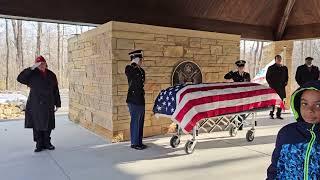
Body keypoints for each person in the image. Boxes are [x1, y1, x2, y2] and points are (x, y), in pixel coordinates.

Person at [266, 80, 320, 179]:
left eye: (318, 105)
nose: (310, 110)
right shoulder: (286, 133)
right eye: (304, 104)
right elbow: (275, 167)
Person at [17, 56, 61, 152]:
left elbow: (55, 90)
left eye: (43, 63)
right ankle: (39, 144)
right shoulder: (31, 74)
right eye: (38, 64)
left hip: (49, 103)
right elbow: (20, 78)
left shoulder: (51, 75)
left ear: (46, 64)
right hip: (35, 103)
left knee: (48, 124)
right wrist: (31, 68)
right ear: (36, 65)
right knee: (37, 124)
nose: (41, 65)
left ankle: (47, 142)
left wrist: (57, 103)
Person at [125, 50, 147, 150]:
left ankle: (139, 142)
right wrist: (133, 63)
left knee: (141, 121)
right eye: (140, 59)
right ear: (136, 59)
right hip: (133, 99)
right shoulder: (129, 68)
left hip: (140, 98)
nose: (142, 61)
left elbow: (142, 81)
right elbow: (130, 74)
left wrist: (138, 66)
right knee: (135, 121)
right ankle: (134, 143)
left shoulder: (141, 70)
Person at [224, 60, 251, 130]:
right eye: (239, 67)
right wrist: (232, 71)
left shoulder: (247, 75)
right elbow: (226, 77)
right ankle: (235, 123)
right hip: (236, 95)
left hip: (244, 95)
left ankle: (241, 124)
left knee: (243, 110)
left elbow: (249, 84)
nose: (241, 68)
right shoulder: (234, 74)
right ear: (237, 67)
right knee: (236, 109)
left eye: (242, 66)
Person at [266, 55, 288, 119]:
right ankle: (271, 114)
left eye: (280, 59)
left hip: (281, 87)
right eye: (278, 59)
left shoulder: (284, 68)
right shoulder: (271, 68)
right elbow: (268, 77)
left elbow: (286, 77)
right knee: (273, 101)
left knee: (281, 101)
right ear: (275, 60)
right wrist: (272, 85)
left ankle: (278, 114)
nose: (279, 60)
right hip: (273, 87)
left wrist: (285, 83)